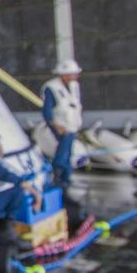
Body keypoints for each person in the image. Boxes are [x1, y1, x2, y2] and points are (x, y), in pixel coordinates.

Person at [41, 59, 83, 189]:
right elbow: (47, 110)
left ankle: (65, 179)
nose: (75, 76)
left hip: (72, 125)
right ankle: (58, 176)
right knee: (62, 153)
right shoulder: (51, 88)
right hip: (61, 125)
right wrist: (55, 125)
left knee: (67, 152)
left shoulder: (74, 86)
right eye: (72, 74)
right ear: (64, 75)